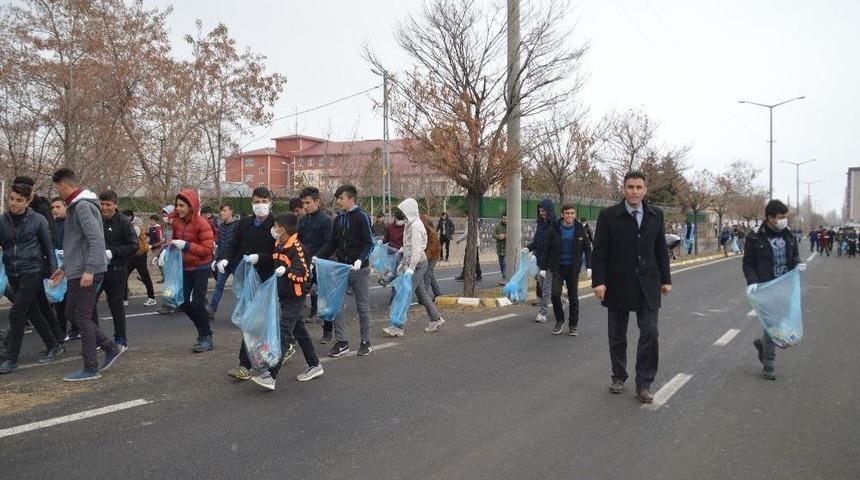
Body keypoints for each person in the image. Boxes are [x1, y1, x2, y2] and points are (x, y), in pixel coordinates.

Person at [591, 171, 671, 404]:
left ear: (645, 190)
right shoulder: (608, 216)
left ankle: (644, 383)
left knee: (650, 332)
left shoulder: (656, 215)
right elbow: (599, 252)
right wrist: (598, 281)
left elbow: (660, 251)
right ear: (624, 189)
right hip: (618, 283)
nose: (634, 191)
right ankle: (619, 375)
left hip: (648, 283)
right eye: (630, 187)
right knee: (617, 334)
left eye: (638, 187)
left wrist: (666, 279)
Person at [51, 168, 127, 381]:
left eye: (58, 187)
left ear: (64, 185)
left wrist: (90, 271)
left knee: (82, 318)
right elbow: (76, 244)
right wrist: (64, 268)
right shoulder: (77, 206)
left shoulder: (83, 207)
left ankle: (91, 367)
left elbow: (96, 240)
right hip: (78, 270)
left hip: (88, 271)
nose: (58, 191)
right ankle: (111, 347)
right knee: (72, 314)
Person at [247, 214, 324, 390]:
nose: (273, 229)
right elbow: (274, 259)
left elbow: (305, 275)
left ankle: (271, 375)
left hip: (295, 296)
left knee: (283, 332)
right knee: (300, 331)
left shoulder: (297, 248)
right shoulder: (279, 244)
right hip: (284, 293)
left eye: (276, 226)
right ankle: (315, 365)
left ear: (284, 229)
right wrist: (258, 258)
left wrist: (287, 272)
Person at [219, 188, 290, 378]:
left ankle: (265, 356)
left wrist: (261, 258)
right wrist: (224, 258)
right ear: (251, 202)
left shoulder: (277, 225)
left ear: (270, 202)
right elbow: (234, 244)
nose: (260, 205)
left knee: (265, 320)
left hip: (269, 278)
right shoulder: (244, 223)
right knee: (251, 319)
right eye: (257, 201)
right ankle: (249, 362)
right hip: (249, 278)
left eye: (264, 200)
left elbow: (282, 254)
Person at [0, 183, 64, 374]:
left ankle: (11, 359)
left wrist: (53, 271)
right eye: (11, 199)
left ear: (28, 202)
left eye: (19, 200)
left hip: (33, 271)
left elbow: (48, 246)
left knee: (17, 313)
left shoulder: (38, 220)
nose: (13, 203)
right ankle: (54, 345)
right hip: (13, 271)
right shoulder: (3, 220)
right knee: (33, 312)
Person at [743, 200, 805, 380]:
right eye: (781, 217)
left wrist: (798, 264)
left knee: (781, 324)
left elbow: (794, 255)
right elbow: (748, 262)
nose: (784, 220)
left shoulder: (788, 234)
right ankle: (769, 365)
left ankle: (763, 346)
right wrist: (752, 281)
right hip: (766, 287)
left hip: (785, 286)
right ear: (770, 218)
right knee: (773, 325)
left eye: (785, 217)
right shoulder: (755, 236)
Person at [314, 184, 374, 357]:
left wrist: (360, 259)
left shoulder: (361, 217)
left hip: (359, 269)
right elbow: (332, 243)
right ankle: (342, 342)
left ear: (351, 199)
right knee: (337, 305)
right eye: (337, 198)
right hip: (341, 268)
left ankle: (365, 341)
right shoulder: (339, 219)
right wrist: (317, 257)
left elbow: (369, 243)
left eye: (341, 198)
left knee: (363, 306)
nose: (339, 201)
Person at [158, 189, 215, 353]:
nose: (178, 208)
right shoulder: (177, 221)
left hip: (201, 267)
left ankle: (206, 337)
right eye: (177, 205)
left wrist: (187, 246)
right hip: (185, 266)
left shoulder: (202, 223)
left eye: (182, 205)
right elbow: (174, 241)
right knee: (182, 302)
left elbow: (207, 249)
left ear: (191, 206)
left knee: (197, 302)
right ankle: (204, 331)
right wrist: (165, 251)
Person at [382, 198, 446, 337]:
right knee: (422, 293)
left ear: (410, 211)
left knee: (405, 294)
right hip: (413, 262)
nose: (402, 215)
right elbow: (408, 245)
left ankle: (397, 326)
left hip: (418, 264)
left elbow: (417, 250)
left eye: (404, 212)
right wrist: (402, 254)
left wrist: (410, 268)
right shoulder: (409, 224)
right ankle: (436, 318)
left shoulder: (416, 226)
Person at [91, 190, 138, 347]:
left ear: (115, 205)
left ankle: (120, 339)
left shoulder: (123, 222)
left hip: (116, 269)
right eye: (102, 204)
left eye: (108, 204)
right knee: (89, 303)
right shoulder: (96, 219)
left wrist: (113, 252)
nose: (104, 207)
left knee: (115, 304)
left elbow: (134, 245)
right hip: (96, 268)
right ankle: (97, 339)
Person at [542, 204, 592, 336]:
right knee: (554, 294)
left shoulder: (580, 229)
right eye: (567, 213)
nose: (569, 216)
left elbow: (587, 248)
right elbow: (546, 249)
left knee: (573, 297)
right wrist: (543, 267)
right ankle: (560, 320)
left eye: (572, 213)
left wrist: (589, 266)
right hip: (557, 268)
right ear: (562, 214)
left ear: (575, 214)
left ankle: (573, 325)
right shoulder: (554, 229)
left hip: (573, 269)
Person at [297, 187, 332, 324]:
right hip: (304, 264)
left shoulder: (326, 220)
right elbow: (299, 240)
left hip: (322, 264)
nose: (305, 206)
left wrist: (317, 258)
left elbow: (329, 243)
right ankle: (295, 331)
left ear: (317, 202)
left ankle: (328, 330)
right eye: (303, 203)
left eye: (308, 203)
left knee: (325, 298)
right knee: (298, 297)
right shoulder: (303, 220)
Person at [523, 199, 556, 322]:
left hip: (550, 262)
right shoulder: (540, 224)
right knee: (542, 287)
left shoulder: (555, 224)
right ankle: (560, 300)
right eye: (540, 211)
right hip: (540, 261)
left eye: (543, 211)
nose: (541, 213)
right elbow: (537, 241)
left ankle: (542, 313)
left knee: (546, 288)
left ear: (549, 210)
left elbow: (555, 245)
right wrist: (528, 248)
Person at [51, 197, 78, 341]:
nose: (55, 210)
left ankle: (75, 329)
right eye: (53, 207)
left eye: (58, 207)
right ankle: (62, 332)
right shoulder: (54, 224)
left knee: (71, 300)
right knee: (59, 300)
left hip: (72, 265)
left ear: (66, 207)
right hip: (59, 265)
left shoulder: (72, 223)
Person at [208, 204, 239, 319]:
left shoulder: (237, 225)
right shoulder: (221, 227)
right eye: (221, 211)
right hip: (222, 263)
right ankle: (212, 310)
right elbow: (220, 245)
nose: (222, 213)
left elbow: (237, 245)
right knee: (219, 286)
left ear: (231, 211)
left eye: (224, 210)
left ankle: (244, 310)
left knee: (240, 288)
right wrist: (215, 260)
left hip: (235, 262)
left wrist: (229, 258)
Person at [122, 209, 157, 307]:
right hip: (132, 255)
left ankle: (152, 298)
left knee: (145, 276)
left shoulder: (137, 225)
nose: (123, 219)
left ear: (130, 217)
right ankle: (124, 298)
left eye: (125, 217)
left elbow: (131, 238)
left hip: (140, 255)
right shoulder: (128, 224)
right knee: (124, 275)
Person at [422, 213, 442, 300]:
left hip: (434, 255)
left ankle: (424, 297)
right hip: (427, 254)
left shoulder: (432, 233)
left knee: (427, 274)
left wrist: (424, 258)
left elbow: (431, 248)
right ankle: (438, 293)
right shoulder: (422, 232)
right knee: (430, 274)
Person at [493, 213, 507, 286]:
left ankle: (504, 279)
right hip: (499, 249)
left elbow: (514, 234)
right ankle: (503, 277)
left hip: (507, 250)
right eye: (504, 218)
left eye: (506, 218)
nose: (505, 220)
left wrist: (505, 236)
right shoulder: (498, 226)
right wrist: (498, 236)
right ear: (501, 218)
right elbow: (493, 234)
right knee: (501, 265)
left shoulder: (510, 225)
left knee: (505, 264)